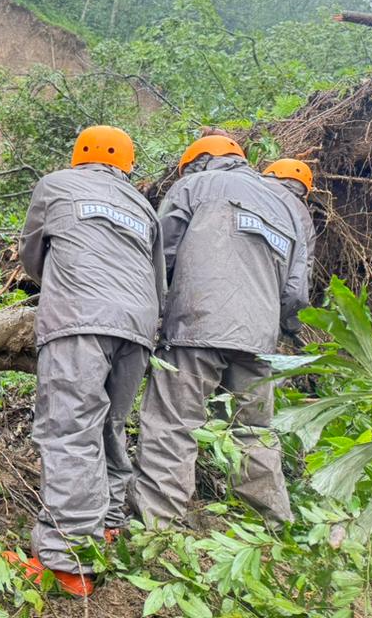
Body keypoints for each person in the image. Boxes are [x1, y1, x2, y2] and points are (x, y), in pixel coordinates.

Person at [9, 126, 164, 598]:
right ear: (128, 165)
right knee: (110, 425)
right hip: (139, 325)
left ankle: (69, 560)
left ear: (79, 156)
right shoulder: (143, 207)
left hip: (79, 316)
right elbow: (158, 280)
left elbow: (31, 255)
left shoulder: (56, 184)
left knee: (69, 429)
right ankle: (108, 525)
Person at [132, 136, 307, 525]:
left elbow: (161, 255)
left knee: (174, 423)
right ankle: (272, 525)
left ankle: (157, 524)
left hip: (196, 325)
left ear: (199, 162)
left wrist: (153, 314)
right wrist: (277, 326)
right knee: (253, 430)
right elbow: (295, 292)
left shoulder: (195, 185)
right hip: (259, 341)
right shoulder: (287, 206)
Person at [262, 158, 317, 310]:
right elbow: (298, 284)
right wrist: (289, 325)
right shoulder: (303, 218)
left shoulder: (244, 187)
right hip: (266, 304)